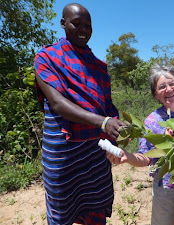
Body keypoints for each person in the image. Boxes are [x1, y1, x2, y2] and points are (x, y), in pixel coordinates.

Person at [34, 3, 126, 225]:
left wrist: (119, 129)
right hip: (62, 154)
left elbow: (106, 106)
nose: (84, 29)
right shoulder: (47, 58)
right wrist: (103, 122)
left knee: (95, 207)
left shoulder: (98, 66)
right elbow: (57, 103)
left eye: (88, 25)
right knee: (61, 210)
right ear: (63, 24)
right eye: (77, 23)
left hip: (95, 153)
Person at [107, 63, 174, 225]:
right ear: (155, 94)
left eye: (172, 84)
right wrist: (127, 157)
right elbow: (146, 158)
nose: (169, 90)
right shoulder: (152, 121)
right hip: (167, 189)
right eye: (162, 87)